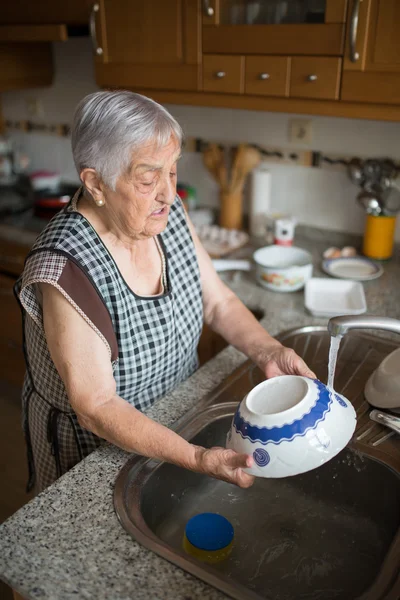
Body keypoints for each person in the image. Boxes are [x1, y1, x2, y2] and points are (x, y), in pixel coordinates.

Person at [15, 91, 315, 494]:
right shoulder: (66, 268)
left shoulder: (166, 216)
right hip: (98, 455)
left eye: (172, 170)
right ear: (95, 182)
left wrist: (267, 350)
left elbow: (218, 301)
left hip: (178, 420)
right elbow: (97, 407)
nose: (168, 193)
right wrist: (194, 456)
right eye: (147, 178)